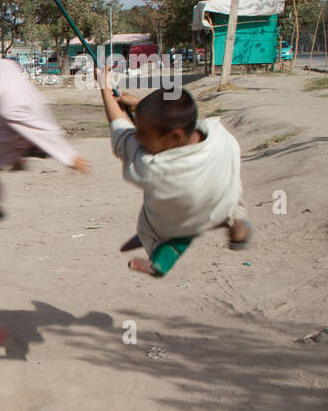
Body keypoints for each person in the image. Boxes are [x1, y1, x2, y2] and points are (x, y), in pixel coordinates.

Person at [97, 67, 248, 276]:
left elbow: (121, 132)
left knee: (173, 228)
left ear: (175, 136)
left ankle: (159, 254)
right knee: (223, 205)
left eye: (143, 133)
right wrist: (142, 108)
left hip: (191, 217)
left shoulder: (156, 168)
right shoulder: (218, 134)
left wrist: (104, 88)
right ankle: (238, 226)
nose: (138, 137)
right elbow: (180, 121)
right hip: (225, 199)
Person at [0, 59, 91, 223]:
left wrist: (69, 157)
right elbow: (8, 63)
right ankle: (14, 158)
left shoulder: (10, 107)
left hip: (17, 137)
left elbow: (42, 129)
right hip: (14, 123)